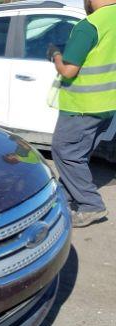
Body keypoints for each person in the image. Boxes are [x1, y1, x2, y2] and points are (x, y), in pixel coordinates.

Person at [47, 0, 116, 228]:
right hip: (108, 105)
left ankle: (91, 205)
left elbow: (68, 70)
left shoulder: (90, 26)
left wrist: (55, 54)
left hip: (82, 105)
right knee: (78, 154)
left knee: (64, 151)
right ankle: (62, 200)